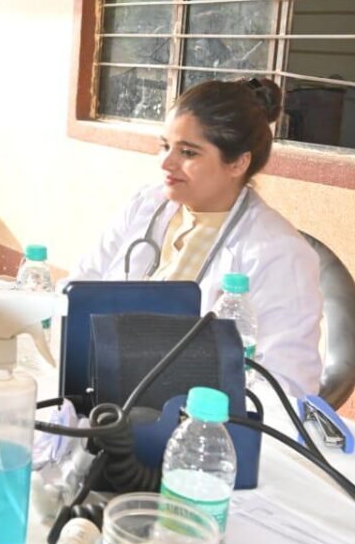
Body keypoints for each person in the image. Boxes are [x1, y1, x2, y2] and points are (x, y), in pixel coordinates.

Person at [69, 78, 323, 397]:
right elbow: (80, 288)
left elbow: (288, 385)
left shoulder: (279, 253)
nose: (166, 163)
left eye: (188, 152)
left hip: (199, 413)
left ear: (238, 163)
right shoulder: (146, 205)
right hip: (103, 390)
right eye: (165, 146)